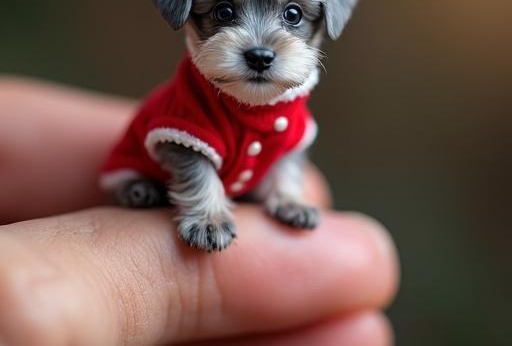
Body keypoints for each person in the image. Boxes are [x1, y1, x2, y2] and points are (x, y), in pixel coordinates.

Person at [0, 77, 399, 345]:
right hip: (144, 173)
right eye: (225, 13)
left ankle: (282, 196)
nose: (260, 44)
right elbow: (182, 148)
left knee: (293, 176)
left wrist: (286, 195)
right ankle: (196, 207)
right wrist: (205, 210)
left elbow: (289, 151)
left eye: (291, 15)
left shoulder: (289, 109)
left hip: (240, 186)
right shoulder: (191, 105)